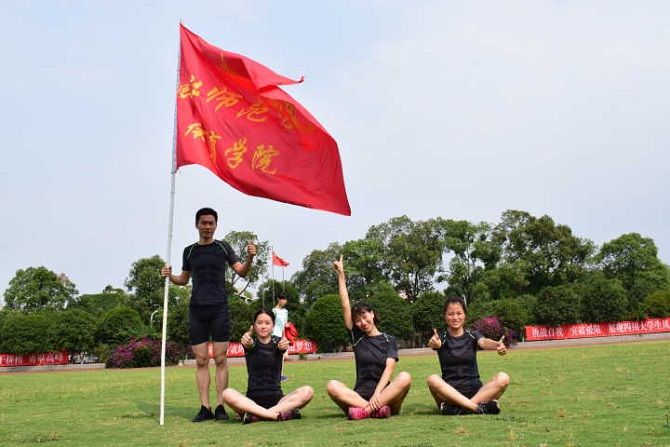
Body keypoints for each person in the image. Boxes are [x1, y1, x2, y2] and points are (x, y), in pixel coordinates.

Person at [161, 207, 256, 422]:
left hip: (219, 308)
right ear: (197, 225)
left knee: (221, 358)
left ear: (216, 225)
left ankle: (221, 406)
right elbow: (183, 279)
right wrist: (169, 276)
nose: (207, 227)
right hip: (197, 309)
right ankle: (205, 407)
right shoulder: (189, 251)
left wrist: (250, 257)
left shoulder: (223, 247)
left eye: (211, 223)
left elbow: (241, 271)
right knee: (201, 360)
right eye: (203, 223)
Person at [327, 256, 412, 420]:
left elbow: (388, 370)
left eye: (365, 317)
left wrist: (377, 395)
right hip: (360, 396)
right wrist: (341, 275)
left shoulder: (389, 340)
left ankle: (365, 411)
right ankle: (374, 410)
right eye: (358, 320)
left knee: (405, 377)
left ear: (372, 314)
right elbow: (345, 305)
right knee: (332, 386)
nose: (363, 323)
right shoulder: (357, 338)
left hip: (384, 396)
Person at [221, 309, 314, 423]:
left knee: (307, 391)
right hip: (252, 402)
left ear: (273, 326)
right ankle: (276, 416)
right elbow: (247, 343)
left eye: (267, 323)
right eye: (259, 323)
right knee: (227, 393)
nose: (263, 326)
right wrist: (246, 339)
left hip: (278, 402)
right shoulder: (250, 343)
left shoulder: (279, 343)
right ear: (254, 326)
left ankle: (257, 416)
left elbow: (282, 346)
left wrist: (283, 345)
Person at [426, 296, 510, 415]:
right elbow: (433, 343)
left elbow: (483, 342)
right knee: (432, 379)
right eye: (451, 314)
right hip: (450, 394)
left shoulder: (472, 335)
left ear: (465, 315)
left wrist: (496, 345)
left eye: (459, 313)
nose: (455, 318)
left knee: (503, 378)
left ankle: (461, 409)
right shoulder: (440, 337)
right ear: (445, 316)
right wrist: (434, 344)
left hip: (477, 393)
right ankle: (477, 408)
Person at [272, 293, 289, 381]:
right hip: (273, 335)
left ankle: (280, 375)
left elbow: (284, 325)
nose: (285, 301)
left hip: (281, 336)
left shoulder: (285, 312)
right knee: (274, 356)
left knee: (282, 356)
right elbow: (271, 324)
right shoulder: (274, 311)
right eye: (283, 299)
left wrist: (284, 336)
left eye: (285, 299)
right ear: (279, 299)